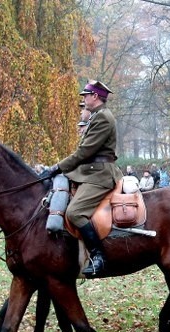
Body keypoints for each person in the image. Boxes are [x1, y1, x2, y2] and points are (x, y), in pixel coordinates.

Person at [45, 80, 123, 277]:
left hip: (99, 175)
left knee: (75, 212)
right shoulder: (96, 116)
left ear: (95, 96)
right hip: (89, 171)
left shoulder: (103, 117)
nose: (84, 99)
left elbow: (85, 151)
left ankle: (98, 257)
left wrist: (57, 167)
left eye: (85, 95)